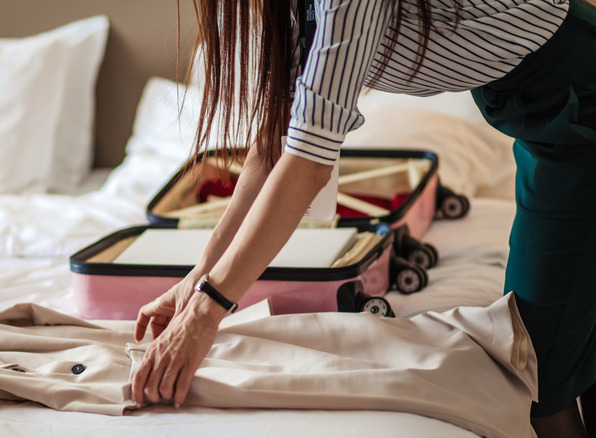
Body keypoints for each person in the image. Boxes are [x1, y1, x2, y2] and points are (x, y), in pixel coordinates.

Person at [131, 0, 596, 436]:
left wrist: (208, 311)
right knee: (570, 346)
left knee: (536, 373)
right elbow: (275, 145)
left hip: (582, 105)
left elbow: (309, 162)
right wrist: (198, 281)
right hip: (549, 126)